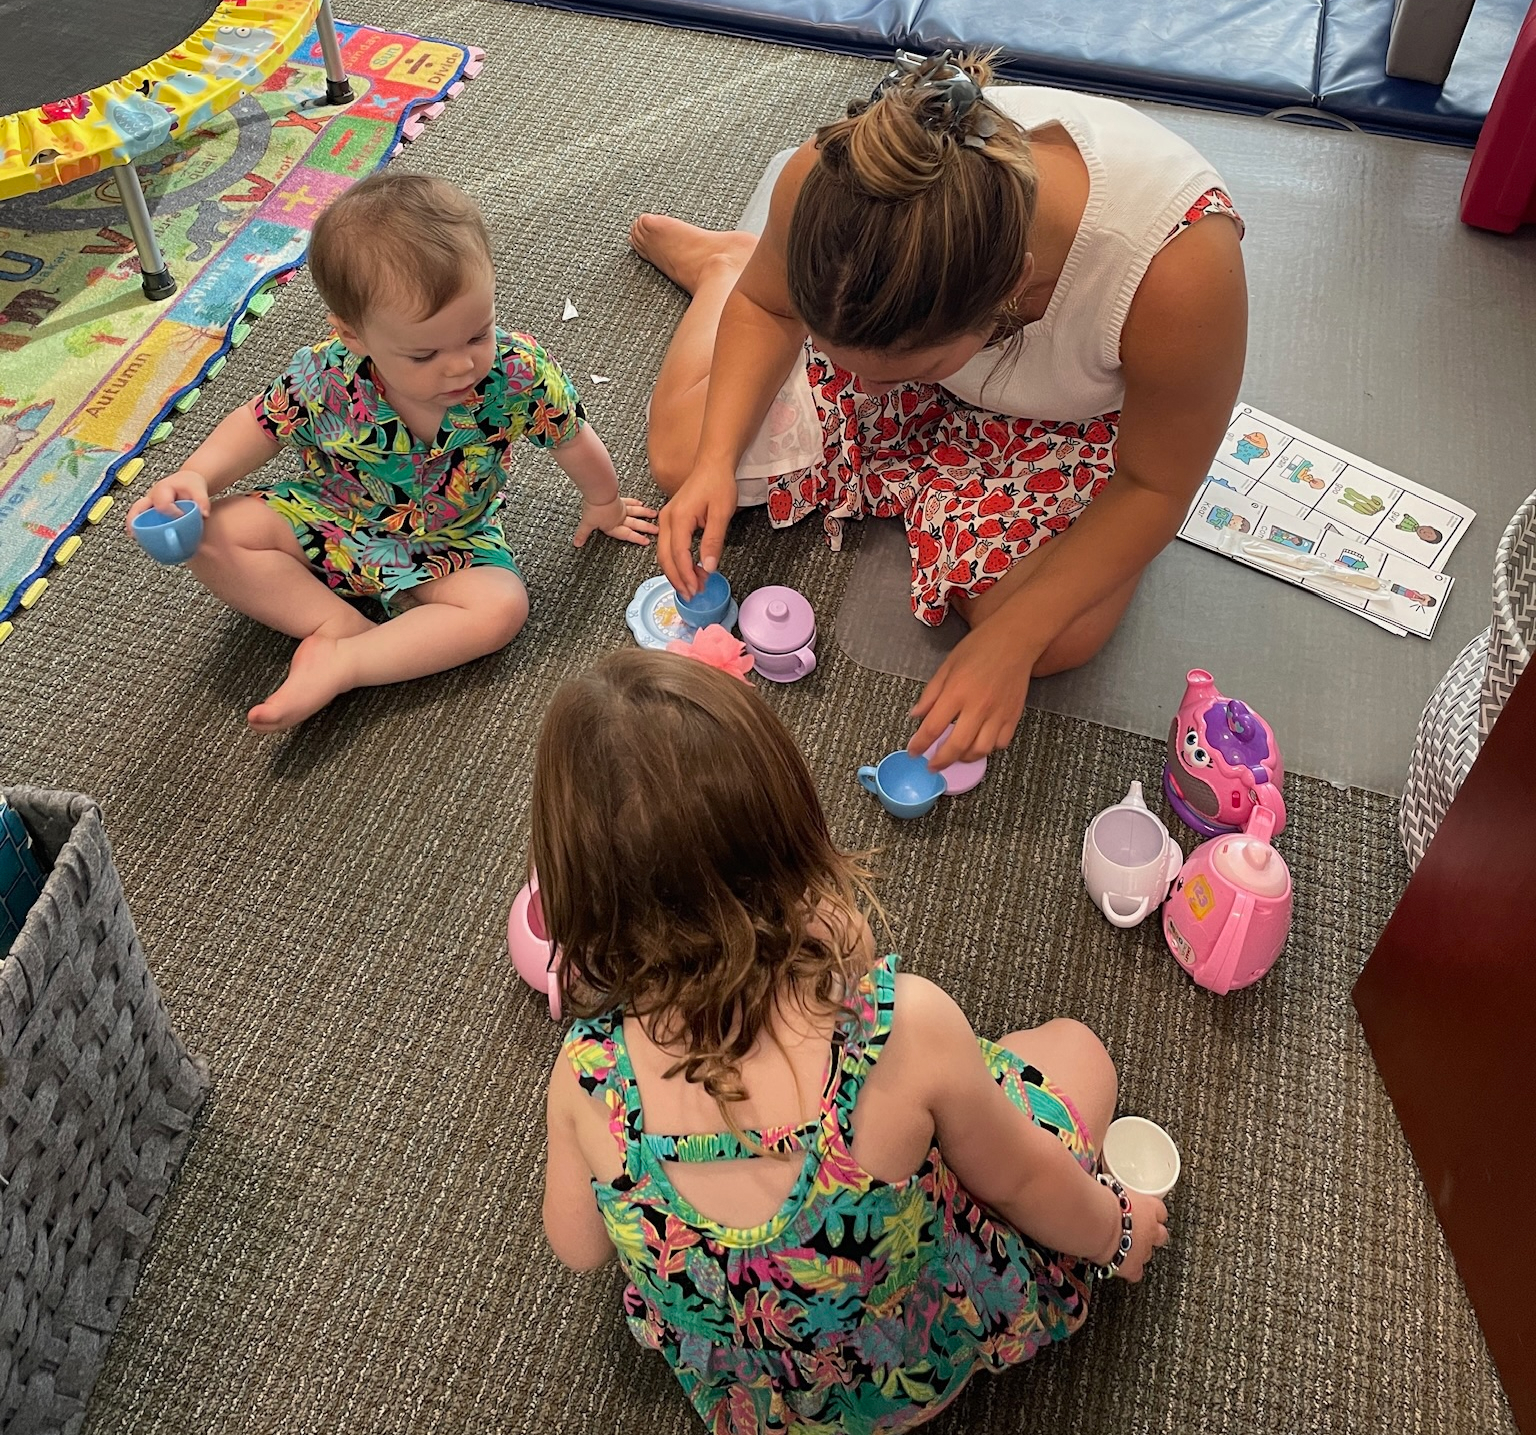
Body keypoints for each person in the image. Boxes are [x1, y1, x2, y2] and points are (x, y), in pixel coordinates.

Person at [537, 649, 1169, 1433]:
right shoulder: (903, 1028)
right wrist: (1119, 1228)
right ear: (791, 832)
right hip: (907, 1368)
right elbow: (1021, 1183)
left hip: (762, 1402)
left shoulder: (586, 1075)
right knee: (1076, 1052)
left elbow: (578, 1247)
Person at [632, 51, 1247, 770]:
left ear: (1012, 292)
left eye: (901, 371)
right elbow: (771, 307)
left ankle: (897, 388)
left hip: (1066, 418)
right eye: (843, 360)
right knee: (683, 454)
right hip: (901, 329)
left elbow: (1156, 484)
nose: (860, 394)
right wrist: (713, 462)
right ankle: (725, 264)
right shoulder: (834, 179)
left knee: (1054, 638)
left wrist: (1014, 636)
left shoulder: (1179, 271)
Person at [127, 171, 657, 732]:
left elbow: (571, 435)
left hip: (449, 542)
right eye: (424, 354)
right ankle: (333, 627)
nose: (460, 365)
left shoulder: (516, 370)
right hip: (328, 516)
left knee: (502, 609)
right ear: (354, 336)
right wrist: (197, 475)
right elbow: (259, 426)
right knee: (210, 533)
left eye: (478, 333)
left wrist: (605, 503)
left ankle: (350, 661)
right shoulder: (326, 372)